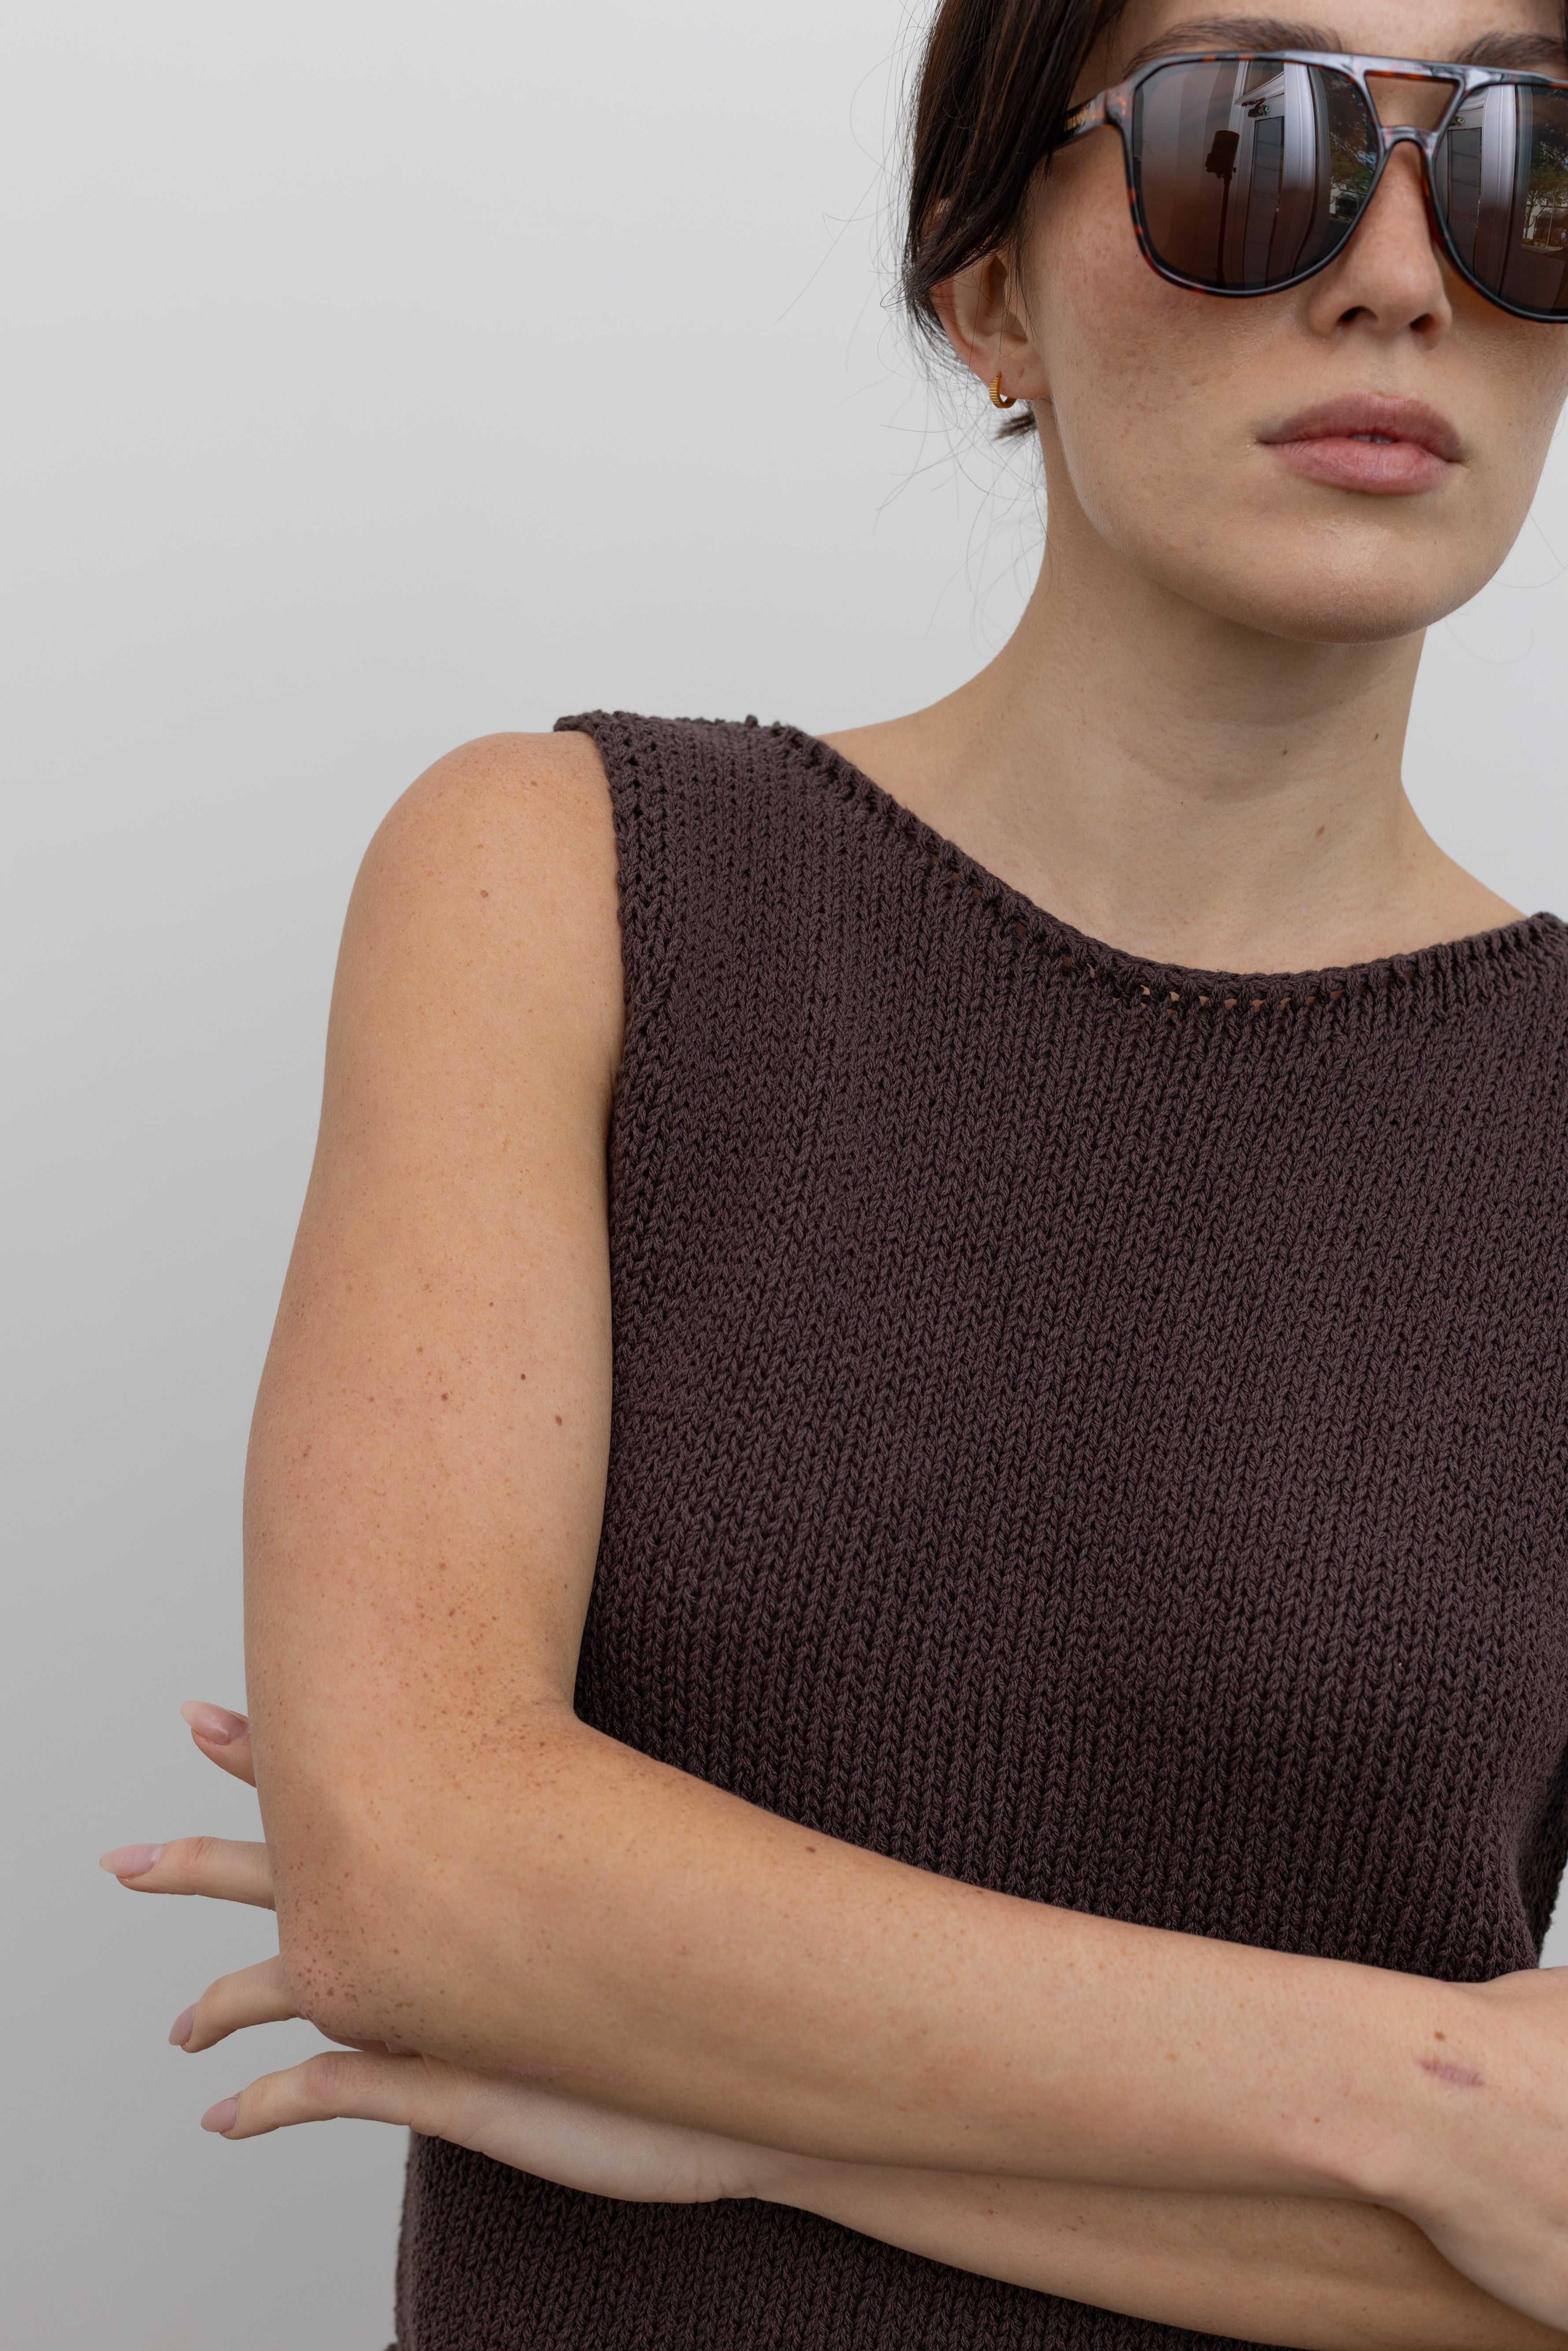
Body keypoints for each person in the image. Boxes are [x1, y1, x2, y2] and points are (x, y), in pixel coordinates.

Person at [100, 0, 1568, 2343]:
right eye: (1240, 143)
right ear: (987, 287)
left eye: (1520, 165)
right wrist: (1423, 2098)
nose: (1402, 271)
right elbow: (416, 1886)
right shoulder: (570, 885)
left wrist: (736, 2098)